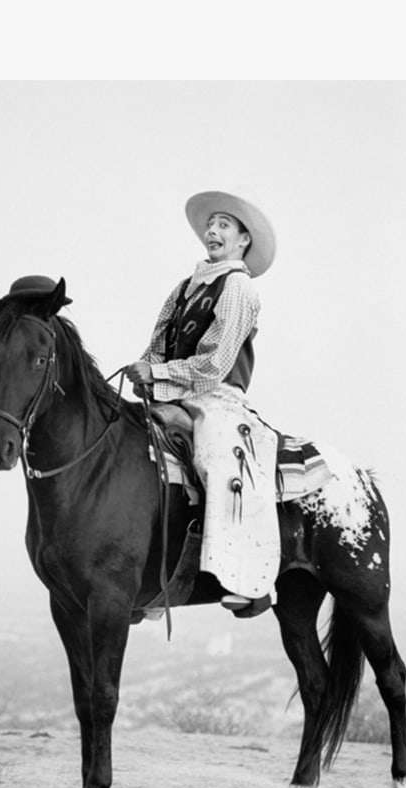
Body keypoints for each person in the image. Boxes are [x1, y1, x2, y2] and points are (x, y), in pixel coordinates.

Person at [126, 191, 279, 617]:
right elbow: (157, 347)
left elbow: (215, 363)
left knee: (216, 457)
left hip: (217, 398)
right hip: (174, 394)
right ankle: (145, 575)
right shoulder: (183, 289)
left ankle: (247, 578)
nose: (212, 231)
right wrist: (147, 372)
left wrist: (158, 375)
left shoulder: (238, 286)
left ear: (243, 240)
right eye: (211, 224)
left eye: (224, 225)